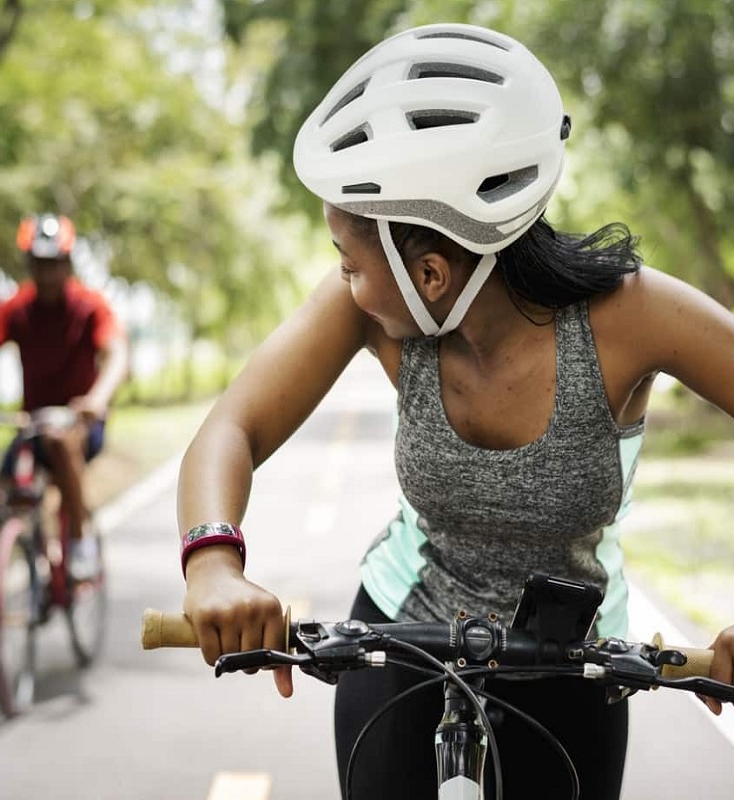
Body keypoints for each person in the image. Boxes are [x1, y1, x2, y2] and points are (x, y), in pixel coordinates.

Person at [176, 23, 734, 799]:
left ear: (430, 273)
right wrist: (212, 565)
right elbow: (232, 428)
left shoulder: (628, 316)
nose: (346, 283)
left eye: (350, 261)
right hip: (406, 638)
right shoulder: (369, 311)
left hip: (571, 657)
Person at [0, 212, 128, 690]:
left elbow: (117, 357)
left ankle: (81, 546)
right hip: (29, 425)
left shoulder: (90, 306)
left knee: (58, 441)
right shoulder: (16, 308)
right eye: (38, 263)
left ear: (68, 264)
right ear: (29, 264)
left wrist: (98, 399)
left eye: (55, 263)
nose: (46, 273)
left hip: (78, 426)